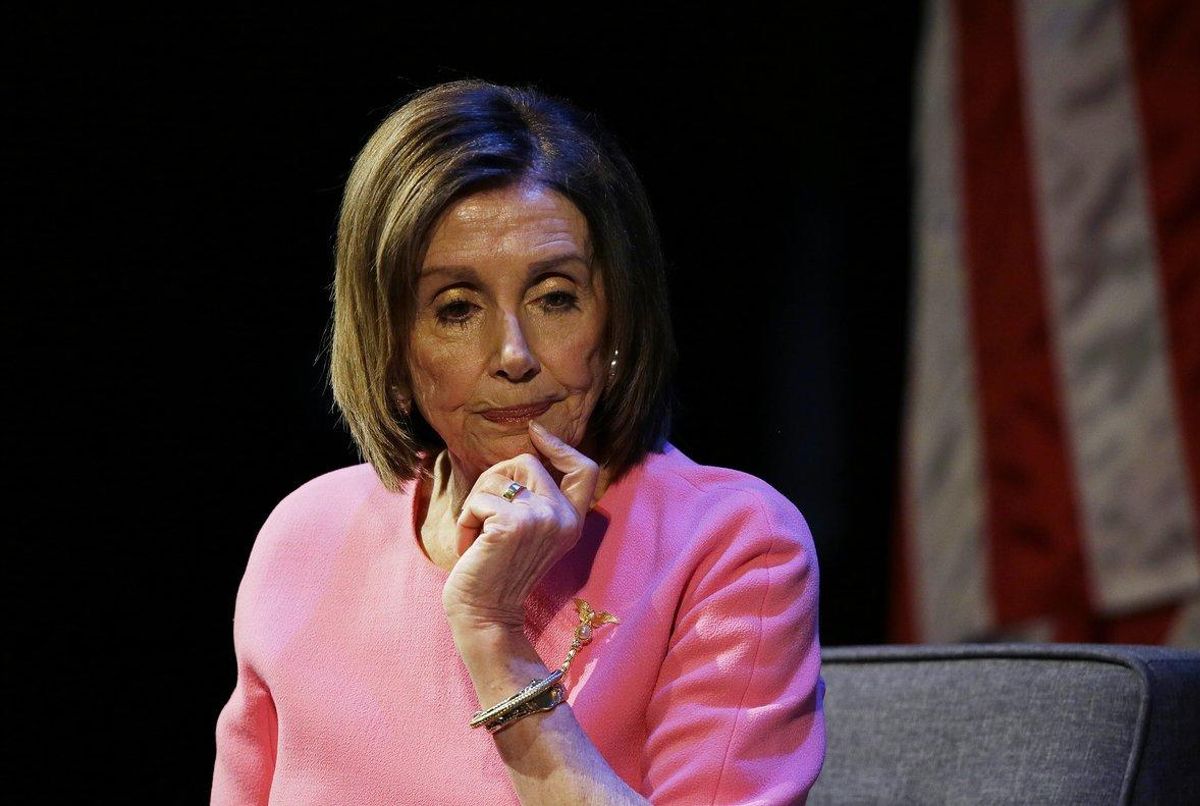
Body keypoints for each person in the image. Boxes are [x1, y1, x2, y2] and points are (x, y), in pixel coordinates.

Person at [212, 79, 825, 805]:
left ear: (617, 321)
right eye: (457, 308)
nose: (514, 352)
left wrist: (495, 636)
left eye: (554, 296)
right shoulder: (303, 540)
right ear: (390, 345)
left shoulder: (731, 546)